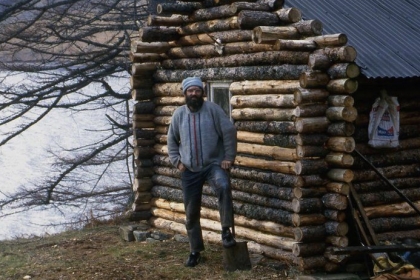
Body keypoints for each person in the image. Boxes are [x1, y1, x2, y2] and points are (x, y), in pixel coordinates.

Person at [167, 77, 237, 267]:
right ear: (185, 94)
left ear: (202, 92)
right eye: (190, 91)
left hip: (213, 164)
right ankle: (195, 250)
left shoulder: (213, 110)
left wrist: (228, 158)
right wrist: (177, 162)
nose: (194, 94)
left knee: (223, 187)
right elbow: (172, 140)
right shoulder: (179, 115)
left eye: (197, 90)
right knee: (191, 212)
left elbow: (229, 132)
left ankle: (226, 231)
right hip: (189, 169)